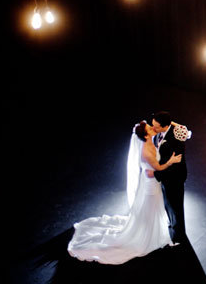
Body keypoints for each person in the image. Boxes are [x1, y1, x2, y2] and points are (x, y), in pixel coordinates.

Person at [67, 121, 182, 264]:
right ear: (146, 135)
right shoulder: (146, 151)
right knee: (151, 207)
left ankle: (153, 231)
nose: (153, 128)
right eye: (149, 128)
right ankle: (149, 236)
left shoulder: (150, 142)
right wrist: (171, 161)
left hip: (152, 183)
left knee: (153, 208)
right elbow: (158, 168)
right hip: (151, 186)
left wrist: (170, 123)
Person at [151, 111, 191, 246]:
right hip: (165, 176)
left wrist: (157, 175)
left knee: (177, 206)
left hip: (175, 177)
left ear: (165, 126)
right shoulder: (159, 131)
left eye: (156, 126)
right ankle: (171, 224)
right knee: (168, 203)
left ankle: (179, 235)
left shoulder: (177, 137)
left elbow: (175, 164)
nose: (153, 129)